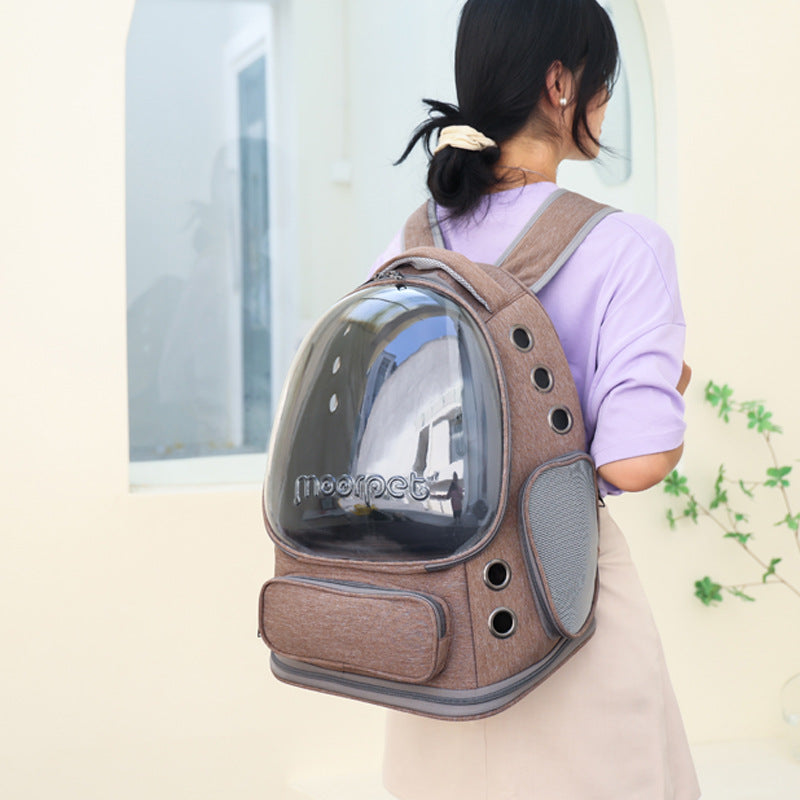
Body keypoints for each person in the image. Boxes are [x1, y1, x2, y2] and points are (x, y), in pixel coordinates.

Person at [371, 1, 701, 798]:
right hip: (567, 609)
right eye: (602, 81)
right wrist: (666, 393)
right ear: (561, 84)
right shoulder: (624, 246)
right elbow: (634, 462)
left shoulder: (410, 245)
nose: (606, 100)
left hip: (434, 618)